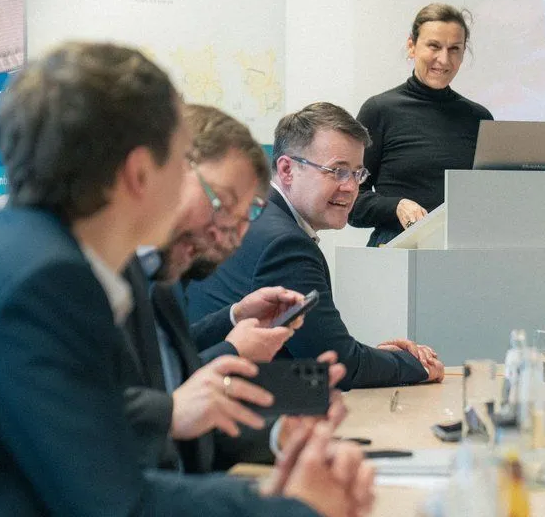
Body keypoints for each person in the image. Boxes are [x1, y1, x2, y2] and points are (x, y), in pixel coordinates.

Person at [0, 43, 374, 517]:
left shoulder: (41, 258)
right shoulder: (42, 285)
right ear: (139, 173)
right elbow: (116, 504)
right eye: (179, 158)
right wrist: (291, 505)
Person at [122, 104, 348, 473]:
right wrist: (233, 350)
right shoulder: (93, 275)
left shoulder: (160, 274)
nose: (227, 235)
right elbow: (154, 411)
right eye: (222, 204)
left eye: (245, 218)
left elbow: (175, 387)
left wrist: (281, 435)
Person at [185, 102, 445, 390]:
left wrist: (380, 359)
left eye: (358, 174)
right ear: (286, 170)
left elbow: (322, 351)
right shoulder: (286, 244)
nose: (350, 187)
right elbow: (338, 363)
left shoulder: (260, 217)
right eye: (337, 171)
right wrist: (415, 365)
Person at [348, 2, 494, 247]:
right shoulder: (379, 111)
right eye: (434, 46)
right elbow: (349, 200)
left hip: (464, 252)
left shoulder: (479, 118)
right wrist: (395, 206)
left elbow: (491, 199)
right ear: (412, 46)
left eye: (454, 49)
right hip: (399, 248)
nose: (443, 59)